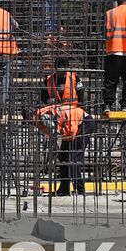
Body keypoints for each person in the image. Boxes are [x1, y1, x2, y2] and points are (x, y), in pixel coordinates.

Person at [34, 62, 87, 195]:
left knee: (73, 158)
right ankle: (64, 188)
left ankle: (80, 189)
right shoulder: (48, 81)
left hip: (79, 121)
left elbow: (82, 98)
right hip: (66, 122)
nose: (63, 73)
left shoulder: (74, 78)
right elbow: (43, 98)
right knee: (64, 156)